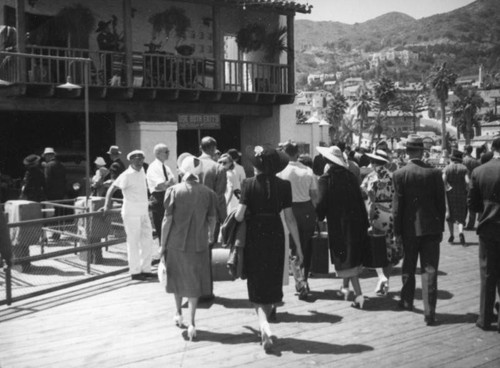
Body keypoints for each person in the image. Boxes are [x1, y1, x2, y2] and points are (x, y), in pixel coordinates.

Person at [235, 146, 303, 352]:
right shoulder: (284, 185)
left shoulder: (247, 184)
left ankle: (264, 326)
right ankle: (267, 319)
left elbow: (239, 216)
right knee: (271, 280)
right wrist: (298, 247)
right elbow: (290, 218)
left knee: (256, 282)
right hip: (275, 233)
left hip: (255, 234)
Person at [161, 153, 217, 341]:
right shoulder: (208, 193)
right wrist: (210, 237)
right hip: (199, 243)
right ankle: (192, 322)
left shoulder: (174, 191)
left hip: (175, 243)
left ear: (182, 171)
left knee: (176, 278)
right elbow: (212, 220)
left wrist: (162, 245)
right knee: (193, 283)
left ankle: (178, 313)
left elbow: (167, 221)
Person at [393, 135, 446, 326]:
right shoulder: (434, 173)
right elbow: (441, 204)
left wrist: (396, 232)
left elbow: (397, 208)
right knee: (429, 269)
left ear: (406, 152)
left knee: (408, 265)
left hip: (408, 228)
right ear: (423, 152)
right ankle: (430, 311)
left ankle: (407, 300)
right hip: (431, 227)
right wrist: (440, 228)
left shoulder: (399, 174)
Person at [316, 145, 369, 309]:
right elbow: (361, 201)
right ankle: (345, 288)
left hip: (339, 224)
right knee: (351, 256)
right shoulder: (351, 176)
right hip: (357, 222)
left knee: (346, 260)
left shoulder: (326, 179)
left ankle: (359, 296)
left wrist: (318, 218)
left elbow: (321, 203)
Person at [101, 150, 155, 281]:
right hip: (131, 213)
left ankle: (146, 269)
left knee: (147, 241)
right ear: (131, 160)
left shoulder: (143, 171)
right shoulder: (126, 175)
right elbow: (112, 188)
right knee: (133, 242)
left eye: (142, 158)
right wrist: (107, 204)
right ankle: (135, 271)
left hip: (143, 212)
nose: (140, 161)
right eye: (137, 159)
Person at [277, 140, 318, 300]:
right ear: (297, 153)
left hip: (288, 210)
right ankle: (304, 278)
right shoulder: (308, 170)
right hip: (307, 209)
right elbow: (315, 196)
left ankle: (300, 282)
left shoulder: (280, 172)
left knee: (294, 246)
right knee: (305, 246)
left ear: (285, 153)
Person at [467, 137, 500, 333]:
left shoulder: (479, 171)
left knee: (488, 274)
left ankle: (485, 318)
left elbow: (472, 204)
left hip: (488, 228)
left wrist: (486, 210)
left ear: (492, 148)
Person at [361, 149, 402, 296]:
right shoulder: (394, 176)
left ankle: (381, 278)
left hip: (377, 214)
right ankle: (386, 280)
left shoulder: (371, 177)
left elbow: (368, 197)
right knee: (389, 249)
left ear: (373, 162)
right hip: (391, 214)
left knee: (377, 248)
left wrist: (369, 216)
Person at [197, 137, 227, 299]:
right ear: (213, 148)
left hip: (190, 215)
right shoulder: (217, 168)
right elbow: (219, 197)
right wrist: (225, 219)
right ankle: (205, 290)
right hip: (210, 216)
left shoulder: (190, 164)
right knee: (207, 252)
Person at [146, 144, 176, 250]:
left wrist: (167, 184)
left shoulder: (166, 167)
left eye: (168, 151)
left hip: (168, 196)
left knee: (170, 227)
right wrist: (167, 184)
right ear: (158, 153)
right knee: (161, 228)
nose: (168, 154)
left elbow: (173, 182)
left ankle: (168, 252)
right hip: (158, 198)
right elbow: (160, 185)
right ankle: (162, 253)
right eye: (166, 152)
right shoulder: (153, 167)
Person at [443, 149, 469, 246]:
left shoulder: (447, 168)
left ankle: (451, 235)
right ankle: (461, 232)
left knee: (450, 215)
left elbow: (443, 180)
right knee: (461, 214)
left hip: (450, 194)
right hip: (461, 194)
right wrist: (466, 189)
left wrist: (448, 187)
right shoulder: (464, 168)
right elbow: (467, 181)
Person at [462, 145, 481, 230]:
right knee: (471, 204)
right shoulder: (475, 161)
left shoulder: (463, 160)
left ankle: (462, 222)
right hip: (473, 184)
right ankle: (471, 223)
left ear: (466, 150)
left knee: (463, 205)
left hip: (464, 185)